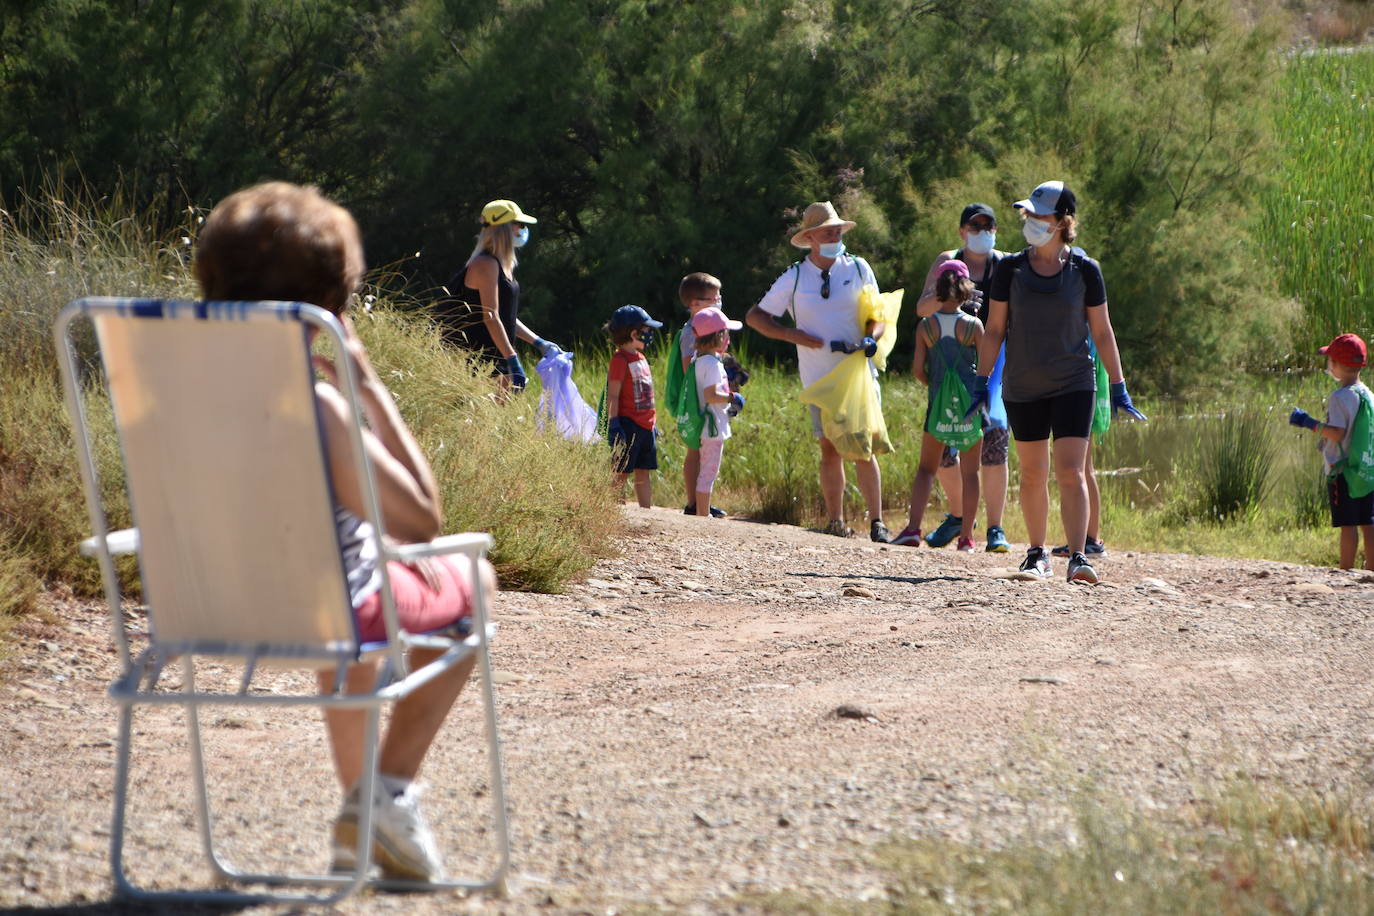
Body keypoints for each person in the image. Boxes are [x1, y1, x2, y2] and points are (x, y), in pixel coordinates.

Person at [193, 181, 497, 882]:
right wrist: (364, 383)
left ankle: (366, 815)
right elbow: (423, 517)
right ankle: (382, 794)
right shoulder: (318, 401)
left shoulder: (168, 393)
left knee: (356, 567)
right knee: (466, 577)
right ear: (330, 303)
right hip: (323, 610)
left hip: (206, 610)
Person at [968, 180, 1145, 584]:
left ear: (1063, 221)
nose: (1028, 220)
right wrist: (981, 382)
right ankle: (1035, 554)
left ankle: (1079, 557)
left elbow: (1102, 332)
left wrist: (1118, 385)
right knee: (1032, 473)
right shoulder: (1010, 269)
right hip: (1023, 385)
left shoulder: (1085, 270)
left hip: (1074, 383)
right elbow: (994, 330)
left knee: (1071, 472)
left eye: (1038, 214)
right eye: (1026, 214)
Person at [747, 201, 890, 542]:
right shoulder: (794, 277)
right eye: (828, 231)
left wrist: (872, 339)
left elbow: (878, 314)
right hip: (819, 378)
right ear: (810, 237)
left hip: (857, 374)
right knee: (829, 448)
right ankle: (836, 522)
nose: (835, 235)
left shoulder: (857, 268)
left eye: (838, 230)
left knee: (863, 448)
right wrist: (789, 334)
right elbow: (757, 317)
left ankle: (878, 523)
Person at [899, 203, 1011, 552]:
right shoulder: (971, 321)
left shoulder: (1003, 263)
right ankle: (964, 527)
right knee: (966, 465)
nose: (982, 231)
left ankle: (986, 528)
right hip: (975, 385)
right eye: (975, 226)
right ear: (962, 229)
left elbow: (919, 367)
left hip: (960, 388)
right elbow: (921, 307)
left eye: (988, 225)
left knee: (983, 451)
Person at [895, 260, 984, 551]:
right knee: (970, 473)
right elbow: (985, 370)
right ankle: (967, 538)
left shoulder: (926, 327)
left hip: (937, 407)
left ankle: (912, 529)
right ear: (966, 289)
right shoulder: (973, 326)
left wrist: (938, 388)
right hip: (970, 409)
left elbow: (918, 370)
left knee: (925, 469)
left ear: (938, 288)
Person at [431, 199, 562, 393]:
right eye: (519, 224)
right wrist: (512, 359)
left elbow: (505, 316)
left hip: (497, 360)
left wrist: (539, 343)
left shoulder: (502, 266)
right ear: (504, 228)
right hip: (480, 363)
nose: (522, 230)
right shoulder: (485, 265)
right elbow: (490, 317)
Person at [1289, 333, 1374, 570]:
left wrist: (1308, 422)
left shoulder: (1340, 397)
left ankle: (1345, 570)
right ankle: (1370, 572)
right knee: (1368, 522)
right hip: (1366, 470)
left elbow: (1337, 432)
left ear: (1336, 365)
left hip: (1343, 471)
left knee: (1348, 524)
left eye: (1329, 361)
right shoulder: (1368, 395)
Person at [669, 272, 728, 517]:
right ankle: (694, 503)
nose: (718, 300)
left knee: (702, 452)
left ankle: (701, 502)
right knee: (695, 451)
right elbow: (688, 369)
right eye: (713, 298)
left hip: (706, 397)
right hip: (696, 402)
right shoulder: (690, 333)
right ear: (694, 303)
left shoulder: (711, 324)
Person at [689, 306, 746, 517]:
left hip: (704, 422)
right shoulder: (712, 364)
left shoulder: (698, 360)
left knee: (706, 470)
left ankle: (702, 512)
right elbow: (711, 395)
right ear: (719, 336)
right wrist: (732, 397)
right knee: (709, 472)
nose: (728, 339)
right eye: (726, 333)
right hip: (712, 426)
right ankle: (703, 515)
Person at [605, 304, 663, 508]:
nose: (649, 335)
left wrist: (653, 423)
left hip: (646, 425)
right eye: (646, 331)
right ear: (633, 333)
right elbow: (613, 394)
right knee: (621, 471)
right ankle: (614, 511)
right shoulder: (620, 359)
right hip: (628, 424)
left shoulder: (641, 358)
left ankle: (645, 513)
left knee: (643, 470)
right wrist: (613, 423)